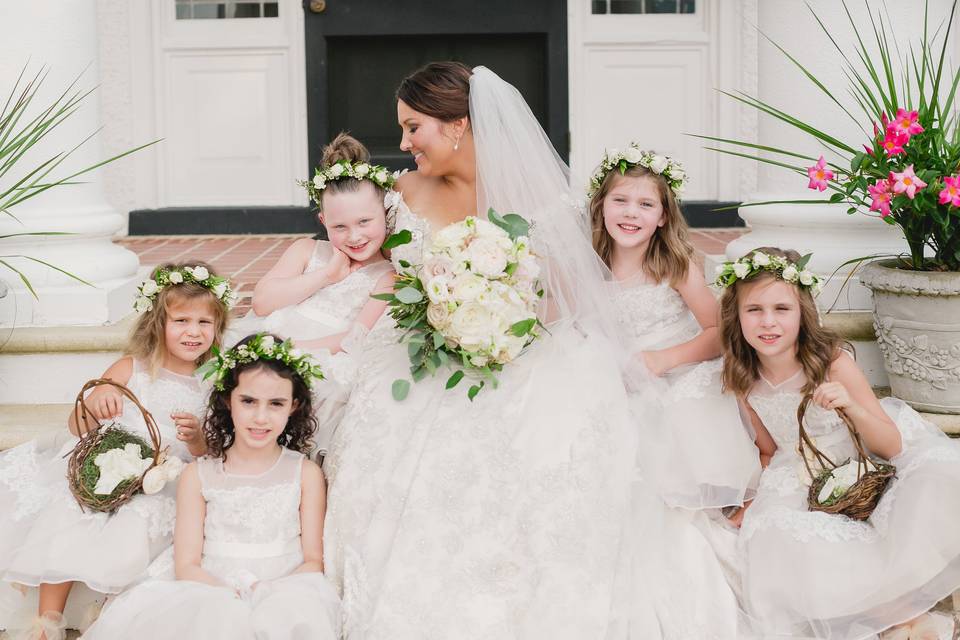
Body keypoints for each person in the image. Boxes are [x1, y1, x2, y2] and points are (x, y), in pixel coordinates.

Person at [323, 61, 660, 639]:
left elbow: (569, 293)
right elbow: (370, 262)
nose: (403, 144)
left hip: (519, 348)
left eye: (413, 128)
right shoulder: (401, 192)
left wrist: (499, 325)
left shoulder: (535, 193)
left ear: (456, 126)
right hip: (420, 348)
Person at [718, 247, 960, 639]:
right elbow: (767, 449)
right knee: (781, 534)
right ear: (736, 315)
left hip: (862, 455)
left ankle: (903, 618)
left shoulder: (832, 363)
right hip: (797, 473)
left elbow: (891, 444)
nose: (768, 322)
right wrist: (751, 499)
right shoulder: (745, 379)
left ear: (802, 314)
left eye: (782, 309)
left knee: (938, 482)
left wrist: (851, 406)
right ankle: (902, 623)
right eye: (754, 310)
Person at [0, 262, 231, 639]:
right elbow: (78, 428)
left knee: (138, 519)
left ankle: (107, 616)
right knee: (68, 509)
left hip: (163, 476)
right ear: (158, 324)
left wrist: (195, 439)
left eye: (205, 323)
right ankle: (47, 623)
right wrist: (97, 398)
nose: (194, 332)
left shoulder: (215, 382)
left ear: (218, 328)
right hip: (102, 465)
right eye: (181, 321)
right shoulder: (132, 368)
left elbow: (213, 454)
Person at [82, 333, 340, 640]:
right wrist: (229, 594)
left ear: (294, 406)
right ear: (228, 400)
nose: (260, 417)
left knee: (281, 619)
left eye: (276, 404)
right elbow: (186, 563)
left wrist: (267, 593)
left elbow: (314, 560)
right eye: (248, 401)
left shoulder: (305, 473)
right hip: (208, 586)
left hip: (286, 588)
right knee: (220, 621)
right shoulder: (198, 475)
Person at [589, 143, 759, 510]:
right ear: (601, 205)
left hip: (675, 367)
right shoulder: (587, 265)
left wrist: (661, 360)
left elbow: (720, 334)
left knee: (670, 416)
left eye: (646, 205)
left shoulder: (676, 267)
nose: (631, 213)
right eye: (620, 201)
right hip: (615, 370)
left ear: (663, 217)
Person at [237, 132, 396, 455]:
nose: (354, 236)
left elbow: (354, 338)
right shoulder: (307, 251)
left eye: (365, 221)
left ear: (385, 214)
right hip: (273, 338)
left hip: (322, 356)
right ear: (323, 221)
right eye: (340, 227)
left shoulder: (387, 277)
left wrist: (292, 351)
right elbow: (263, 302)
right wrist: (325, 275)